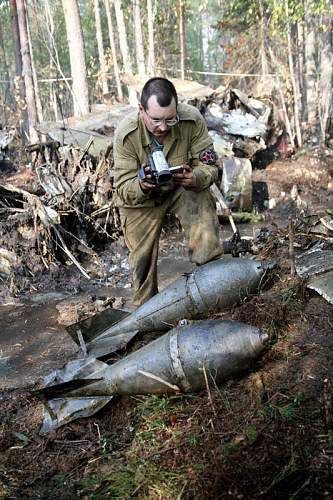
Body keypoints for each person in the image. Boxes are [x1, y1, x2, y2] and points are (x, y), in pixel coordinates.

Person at [113, 77, 224, 306]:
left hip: (180, 189)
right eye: (155, 120)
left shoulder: (191, 120)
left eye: (170, 119)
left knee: (200, 195)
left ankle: (213, 282)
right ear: (141, 110)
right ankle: (146, 312)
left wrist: (196, 177)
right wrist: (142, 184)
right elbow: (123, 188)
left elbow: (211, 166)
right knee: (141, 262)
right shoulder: (126, 134)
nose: (163, 127)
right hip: (141, 200)